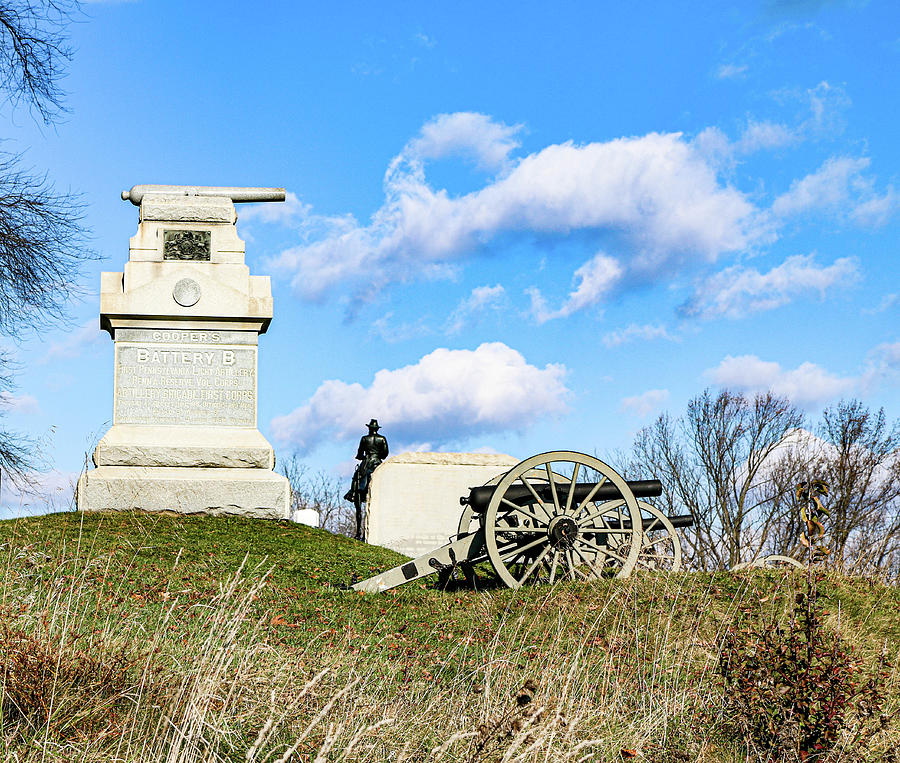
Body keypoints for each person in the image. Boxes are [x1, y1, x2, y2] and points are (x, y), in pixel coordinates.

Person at [344, 419, 389, 540]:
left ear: (369, 428)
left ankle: (353, 493)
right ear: (377, 429)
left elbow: (359, 453)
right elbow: (385, 453)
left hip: (367, 462)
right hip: (377, 462)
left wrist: (361, 456)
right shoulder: (382, 439)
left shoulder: (364, 439)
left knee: (356, 478)